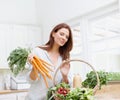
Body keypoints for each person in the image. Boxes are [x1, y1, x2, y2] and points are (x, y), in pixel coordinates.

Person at [25, 23, 73, 100]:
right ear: (53, 33)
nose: (64, 38)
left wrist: (64, 76)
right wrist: (35, 66)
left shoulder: (64, 58)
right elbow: (31, 80)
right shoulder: (38, 51)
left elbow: (67, 86)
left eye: (67, 37)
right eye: (61, 34)